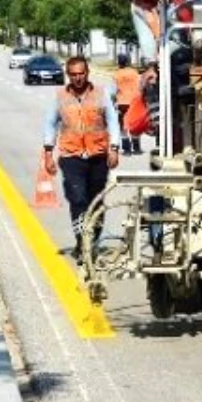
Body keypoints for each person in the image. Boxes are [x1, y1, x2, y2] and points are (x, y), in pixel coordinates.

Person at [42, 56, 122, 263]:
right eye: (74, 74)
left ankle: (93, 242)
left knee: (96, 202)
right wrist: (48, 154)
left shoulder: (101, 94)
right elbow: (50, 124)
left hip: (98, 155)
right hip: (71, 156)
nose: (78, 78)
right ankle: (81, 242)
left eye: (81, 73)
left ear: (87, 73)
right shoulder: (60, 97)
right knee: (77, 199)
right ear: (69, 75)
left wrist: (114, 148)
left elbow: (112, 121)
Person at [112, 52, 142, 155]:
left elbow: (113, 91)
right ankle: (137, 148)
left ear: (119, 62)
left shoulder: (116, 74)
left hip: (122, 103)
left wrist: (113, 102)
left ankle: (127, 149)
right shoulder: (134, 73)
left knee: (123, 126)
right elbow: (140, 86)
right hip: (134, 102)